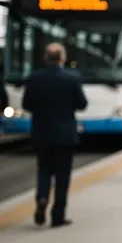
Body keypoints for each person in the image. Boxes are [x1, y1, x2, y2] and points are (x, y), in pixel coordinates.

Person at [21, 43, 88, 227]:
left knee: (43, 170)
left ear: (45, 58)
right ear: (62, 58)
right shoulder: (72, 78)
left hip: (42, 133)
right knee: (62, 176)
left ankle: (42, 198)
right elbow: (82, 104)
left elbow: (27, 104)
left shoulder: (34, 78)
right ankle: (58, 216)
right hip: (65, 135)